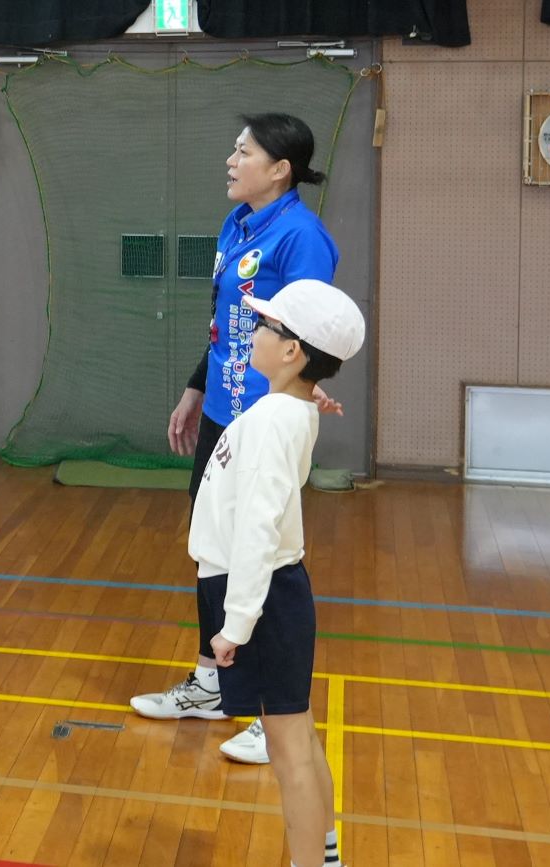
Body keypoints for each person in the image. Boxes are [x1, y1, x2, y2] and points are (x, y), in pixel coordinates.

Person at [130, 113, 344, 766]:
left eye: (243, 151)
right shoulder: (236, 224)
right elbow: (224, 321)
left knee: (265, 554)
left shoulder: (302, 239)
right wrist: (197, 388)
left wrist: (308, 391)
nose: (230, 160)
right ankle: (212, 684)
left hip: (267, 418)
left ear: (279, 168)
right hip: (224, 412)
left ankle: (271, 708)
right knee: (214, 552)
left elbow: (313, 331)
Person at [194, 278, 363, 867]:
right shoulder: (288, 411)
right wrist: (308, 397)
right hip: (275, 592)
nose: (254, 331)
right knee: (299, 736)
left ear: (292, 351)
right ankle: (326, 855)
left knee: (289, 751)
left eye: (266, 326)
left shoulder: (274, 420)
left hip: (259, 596)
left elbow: (258, 529)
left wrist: (235, 624)